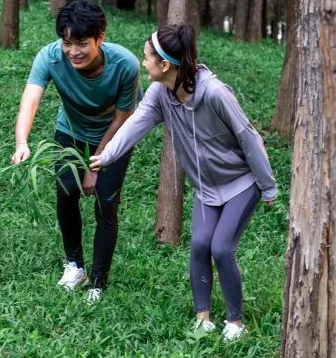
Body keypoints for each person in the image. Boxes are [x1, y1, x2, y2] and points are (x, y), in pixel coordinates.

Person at [90, 24, 276, 340]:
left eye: (147, 56)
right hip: (206, 188)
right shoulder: (160, 94)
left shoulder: (215, 93)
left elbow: (248, 137)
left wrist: (267, 185)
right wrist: (106, 156)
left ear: (165, 64)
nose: (143, 61)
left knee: (220, 248)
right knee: (200, 245)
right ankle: (203, 319)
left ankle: (235, 323)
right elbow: (137, 124)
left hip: (241, 182)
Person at [11, 0, 141, 304]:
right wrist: (22, 142)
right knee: (66, 192)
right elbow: (30, 99)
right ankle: (75, 266)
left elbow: (123, 119)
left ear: (100, 38)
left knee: (105, 203)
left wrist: (93, 167)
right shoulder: (51, 57)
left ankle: (98, 282)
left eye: (81, 42)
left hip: (115, 135)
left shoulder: (125, 65)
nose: (73, 51)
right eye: (67, 42)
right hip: (71, 129)